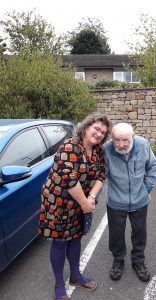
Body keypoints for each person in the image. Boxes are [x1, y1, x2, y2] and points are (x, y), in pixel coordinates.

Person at [39, 112, 111, 300]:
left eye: (103, 132)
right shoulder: (69, 146)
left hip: (82, 202)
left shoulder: (98, 151)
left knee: (76, 238)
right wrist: (85, 203)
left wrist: (92, 197)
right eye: (96, 129)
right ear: (86, 127)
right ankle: (59, 283)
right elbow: (70, 181)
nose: (99, 134)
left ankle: (76, 276)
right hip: (59, 203)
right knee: (60, 241)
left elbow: (101, 175)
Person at [103, 122, 156, 282]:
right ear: (112, 138)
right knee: (116, 234)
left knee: (140, 233)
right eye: (117, 140)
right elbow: (101, 173)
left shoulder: (143, 145)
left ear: (132, 137)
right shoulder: (106, 149)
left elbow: (152, 165)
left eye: (125, 140)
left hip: (140, 200)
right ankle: (118, 260)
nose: (120, 145)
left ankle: (138, 261)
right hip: (115, 201)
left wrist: (146, 187)